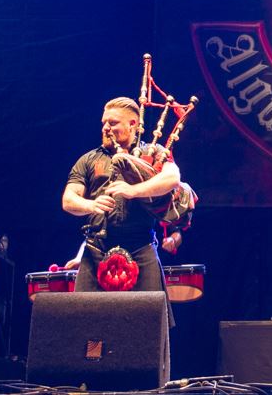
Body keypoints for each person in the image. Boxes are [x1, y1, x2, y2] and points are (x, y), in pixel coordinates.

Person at [61, 97, 184, 294]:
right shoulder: (88, 159)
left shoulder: (153, 152)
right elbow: (68, 200)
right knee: (86, 313)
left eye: (113, 123)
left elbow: (172, 178)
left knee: (148, 312)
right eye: (104, 123)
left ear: (132, 124)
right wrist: (90, 205)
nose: (105, 128)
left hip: (141, 247)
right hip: (96, 250)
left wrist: (134, 190)